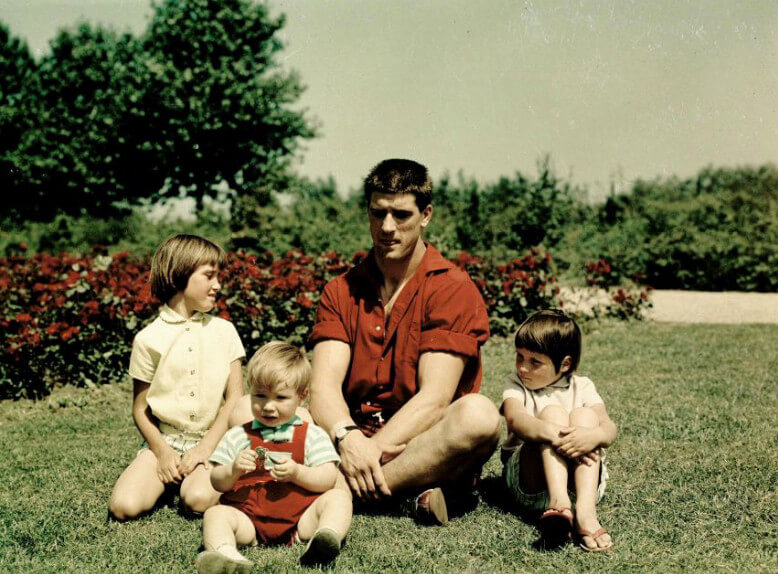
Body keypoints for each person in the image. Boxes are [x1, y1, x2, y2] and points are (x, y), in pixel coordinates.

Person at [307, 158, 500, 524]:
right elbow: (323, 389)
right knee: (286, 413)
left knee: (479, 417)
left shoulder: (451, 287)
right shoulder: (340, 290)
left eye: (401, 215)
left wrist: (369, 453)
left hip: (421, 440)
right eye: (378, 214)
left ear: (425, 215)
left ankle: (342, 493)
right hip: (350, 436)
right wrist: (349, 439)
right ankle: (409, 492)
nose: (387, 227)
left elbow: (434, 399)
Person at [109, 234, 245, 520]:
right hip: (167, 441)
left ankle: (202, 478)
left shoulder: (225, 331)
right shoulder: (148, 339)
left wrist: (206, 447)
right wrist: (162, 452)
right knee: (124, 506)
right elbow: (140, 408)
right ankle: (170, 474)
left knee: (196, 500)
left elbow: (235, 398)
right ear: (179, 274)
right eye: (209, 276)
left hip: (214, 440)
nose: (217, 285)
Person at [196, 342, 351, 572]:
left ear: (301, 397)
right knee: (215, 513)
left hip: (300, 520)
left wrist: (299, 473)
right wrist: (233, 470)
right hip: (249, 520)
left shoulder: (312, 435)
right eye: (260, 396)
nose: (269, 406)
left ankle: (325, 537)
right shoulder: (239, 435)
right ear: (250, 391)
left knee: (339, 498)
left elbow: (327, 477)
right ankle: (226, 554)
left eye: (280, 398)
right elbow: (216, 481)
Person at [500, 309, 617, 551]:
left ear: (564, 364)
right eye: (519, 357)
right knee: (552, 414)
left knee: (586, 416)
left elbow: (608, 428)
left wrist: (592, 436)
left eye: (535, 362)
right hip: (530, 483)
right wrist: (557, 434)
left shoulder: (582, 386)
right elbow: (515, 419)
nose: (523, 368)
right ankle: (558, 502)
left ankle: (585, 511)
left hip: (580, 485)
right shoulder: (516, 385)